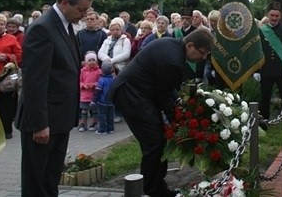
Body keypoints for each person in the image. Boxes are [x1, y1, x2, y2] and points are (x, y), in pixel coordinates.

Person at [109, 28, 214, 197]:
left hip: (138, 94)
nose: (203, 58)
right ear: (191, 45)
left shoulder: (172, 46)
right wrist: (181, 123)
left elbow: (167, 88)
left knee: (158, 141)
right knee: (154, 143)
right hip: (131, 95)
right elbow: (163, 96)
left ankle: (156, 186)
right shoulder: (173, 60)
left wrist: (179, 108)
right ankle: (151, 190)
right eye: (202, 53)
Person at [15, 0, 94, 196]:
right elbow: (34, 82)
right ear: (65, 2)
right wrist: (40, 124)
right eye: (81, 9)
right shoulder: (42, 29)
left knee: (50, 180)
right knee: (36, 183)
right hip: (43, 123)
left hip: (60, 119)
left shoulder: (67, 27)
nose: (84, 15)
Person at [257, 1, 282, 130]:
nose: (274, 18)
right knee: (265, 97)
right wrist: (256, 71)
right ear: (268, 15)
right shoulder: (262, 30)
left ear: (280, 16)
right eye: (272, 15)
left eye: (276, 16)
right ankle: (263, 123)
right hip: (266, 69)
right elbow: (258, 51)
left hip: (281, 70)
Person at [78, 52, 101, 132]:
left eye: (93, 60)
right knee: (84, 110)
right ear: (86, 62)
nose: (91, 62)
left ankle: (95, 123)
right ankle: (83, 124)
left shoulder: (98, 71)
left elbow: (100, 82)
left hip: (94, 95)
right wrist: (83, 86)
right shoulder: (82, 71)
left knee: (95, 110)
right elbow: (79, 81)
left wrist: (94, 85)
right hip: (84, 95)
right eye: (89, 60)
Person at [94, 60, 115, 135]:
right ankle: (111, 129)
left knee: (102, 116)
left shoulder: (101, 80)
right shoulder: (114, 79)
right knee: (110, 116)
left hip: (102, 102)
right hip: (111, 102)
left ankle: (102, 130)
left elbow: (97, 91)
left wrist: (94, 100)